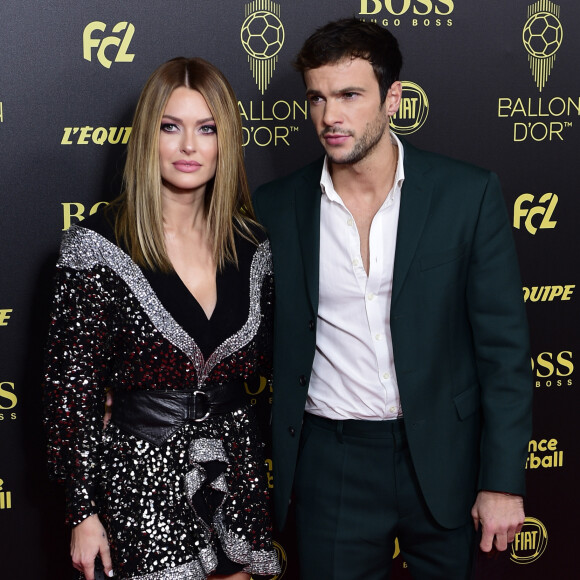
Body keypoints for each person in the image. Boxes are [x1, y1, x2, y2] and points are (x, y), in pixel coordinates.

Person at [252, 18, 533, 580]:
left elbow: (504, 353)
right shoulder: (275, 208)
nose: (331, 117)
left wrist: (501, 480)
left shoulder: (466, 194)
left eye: (351, 95)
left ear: (394, 99)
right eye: (318, 98)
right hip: (333, 458)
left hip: (444, 455)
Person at [43, 57, 280, 580]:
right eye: (170, 127)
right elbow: (71, 390)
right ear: (148, 138)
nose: (189, 147)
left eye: (207, 129)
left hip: (237, 477)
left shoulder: (254, 246)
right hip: (139, 482)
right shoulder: (97, 246)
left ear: (227, 140)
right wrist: (82, 511)